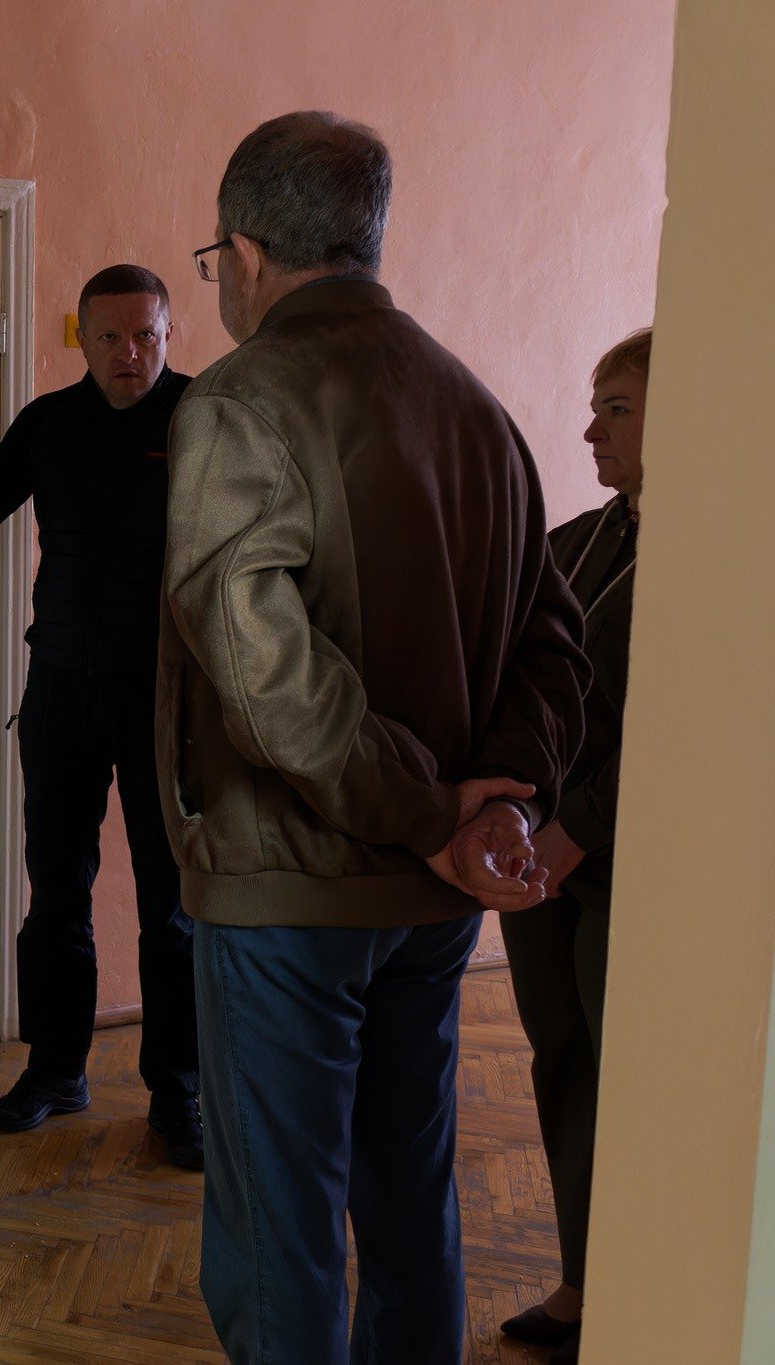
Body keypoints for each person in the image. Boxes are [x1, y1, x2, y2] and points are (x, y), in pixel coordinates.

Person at [160, 112, 590, 1362]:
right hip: (431, 898)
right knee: (409, 1204)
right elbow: (556, 648)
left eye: (214, 263)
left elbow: (263, 679)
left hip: (288, 886)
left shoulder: (241, 399)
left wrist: (428, 811)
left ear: (244, 254)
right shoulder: (474, 406)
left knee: (278, 1231)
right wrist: (495, 804)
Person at [0, 265, 204, 1168]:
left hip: (167, 696)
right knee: (56, 892)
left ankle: (180, 1090)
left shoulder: (203, 417)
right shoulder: (49, 423)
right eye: (111, 336)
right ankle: (55, 1068)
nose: (131, 353)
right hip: (61, 689)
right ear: (82, 338)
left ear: (169, 333)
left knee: (172, 905)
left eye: (146, 334)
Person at [497, 327, 651, 1364]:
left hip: (624, 857)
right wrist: (510, 811)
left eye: (617, 411)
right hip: (542, 849)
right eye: (594, 409)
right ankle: (583, 1278)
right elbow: (519, 680)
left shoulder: (722, 547)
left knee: (625, 1066)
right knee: (561, 1054)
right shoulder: (578, 539)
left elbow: (674, 728)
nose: (591, 430)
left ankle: (642, 1287)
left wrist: (572, 830)